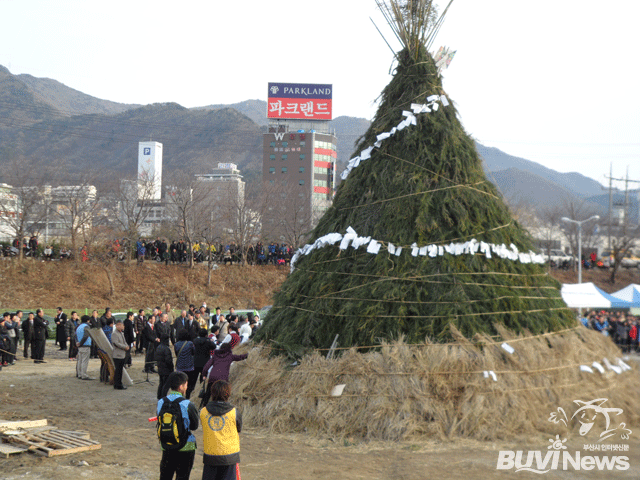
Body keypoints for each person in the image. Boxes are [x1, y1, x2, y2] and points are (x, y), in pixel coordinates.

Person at [157, 371, 199, 480]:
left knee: (165, 476)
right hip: (186, 446)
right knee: (183, 476)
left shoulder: (161, 402)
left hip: (166, 444)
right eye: (186, 384)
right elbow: (194, 426)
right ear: (181, 387)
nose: (187, 386)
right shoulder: (187, 404)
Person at [201, 380, 242, 480]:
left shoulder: (203, 411)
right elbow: (238, 429)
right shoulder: (234, 412)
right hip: (229, 456)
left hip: (210, 455)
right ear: (228, 394)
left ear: (212, 393)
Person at [200, 342, 248, 407]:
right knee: (221, 394)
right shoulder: (230, 356)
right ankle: (219, 408)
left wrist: (204, 375)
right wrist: (248, 355)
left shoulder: (215, 355)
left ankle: (203, 407)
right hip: (223, 379)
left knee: (208, 393)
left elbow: (206, 366)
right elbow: (239, 357)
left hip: (213, 377)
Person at [174, 330, 197, 399]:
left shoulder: (176, 344)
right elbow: (194, 352)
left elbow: (176, 354)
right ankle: (187, 397)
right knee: (189, 383)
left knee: (180, 383)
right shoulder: (190, 343)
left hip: (180, 367)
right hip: (189, 367)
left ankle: (180, 397)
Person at [155, 333, 174, 399]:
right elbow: (168, 361)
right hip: (166, 370)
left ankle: (159, 396)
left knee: (161, 383)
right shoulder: (166, 349)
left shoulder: (158, 347)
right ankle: (163, 397)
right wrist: (172, 368)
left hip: (160, 368)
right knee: (166, 385)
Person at [111, 320, 129, 390]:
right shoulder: (114, 333)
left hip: (122, 354)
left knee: (120, 370)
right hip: (117, 354)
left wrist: (127, 346)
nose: (123, 326)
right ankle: (118, 384)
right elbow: (116, 343)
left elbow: (124, 341)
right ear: (117, 325)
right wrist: (124, 347)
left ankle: (118, 383)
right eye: (122, 325)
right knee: (118, 370)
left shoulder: (121, 333)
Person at [76, 315, 93, 380]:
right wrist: (81, 343)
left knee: (80, 360)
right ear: (87, 320)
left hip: (80, 346)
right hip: (85, 345)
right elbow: (86, 336)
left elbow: (75, 336)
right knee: (84, 361)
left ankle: (79, 374)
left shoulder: (79, 326)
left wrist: (78, 343)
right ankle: (84, 375)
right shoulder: (86, 326)